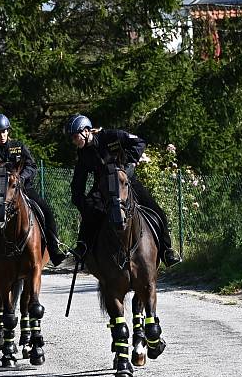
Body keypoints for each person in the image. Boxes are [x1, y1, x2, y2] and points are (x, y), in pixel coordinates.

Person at [64, 114, 181, 267]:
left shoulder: (111, 136)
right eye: (71, 138)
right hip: (103, 186)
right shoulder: (83, 153)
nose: (74, 141)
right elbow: (79, 179)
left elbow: (139, 142)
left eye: (75, 136)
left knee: (156, 210)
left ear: (86, 131)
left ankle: (167, 251)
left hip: (125, 180)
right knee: (89, 211)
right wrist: (79, 199)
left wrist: (129, 164)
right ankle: (83, 249)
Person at [0, 113, 68, 269]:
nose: (2, 135)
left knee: (46, 211)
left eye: (4, 131)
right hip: (2, 193)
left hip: (24, 188)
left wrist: (20, 179)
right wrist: (2, 178)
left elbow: (31, 166)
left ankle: (54, 250)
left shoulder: (18, 146)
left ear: (8, 131)